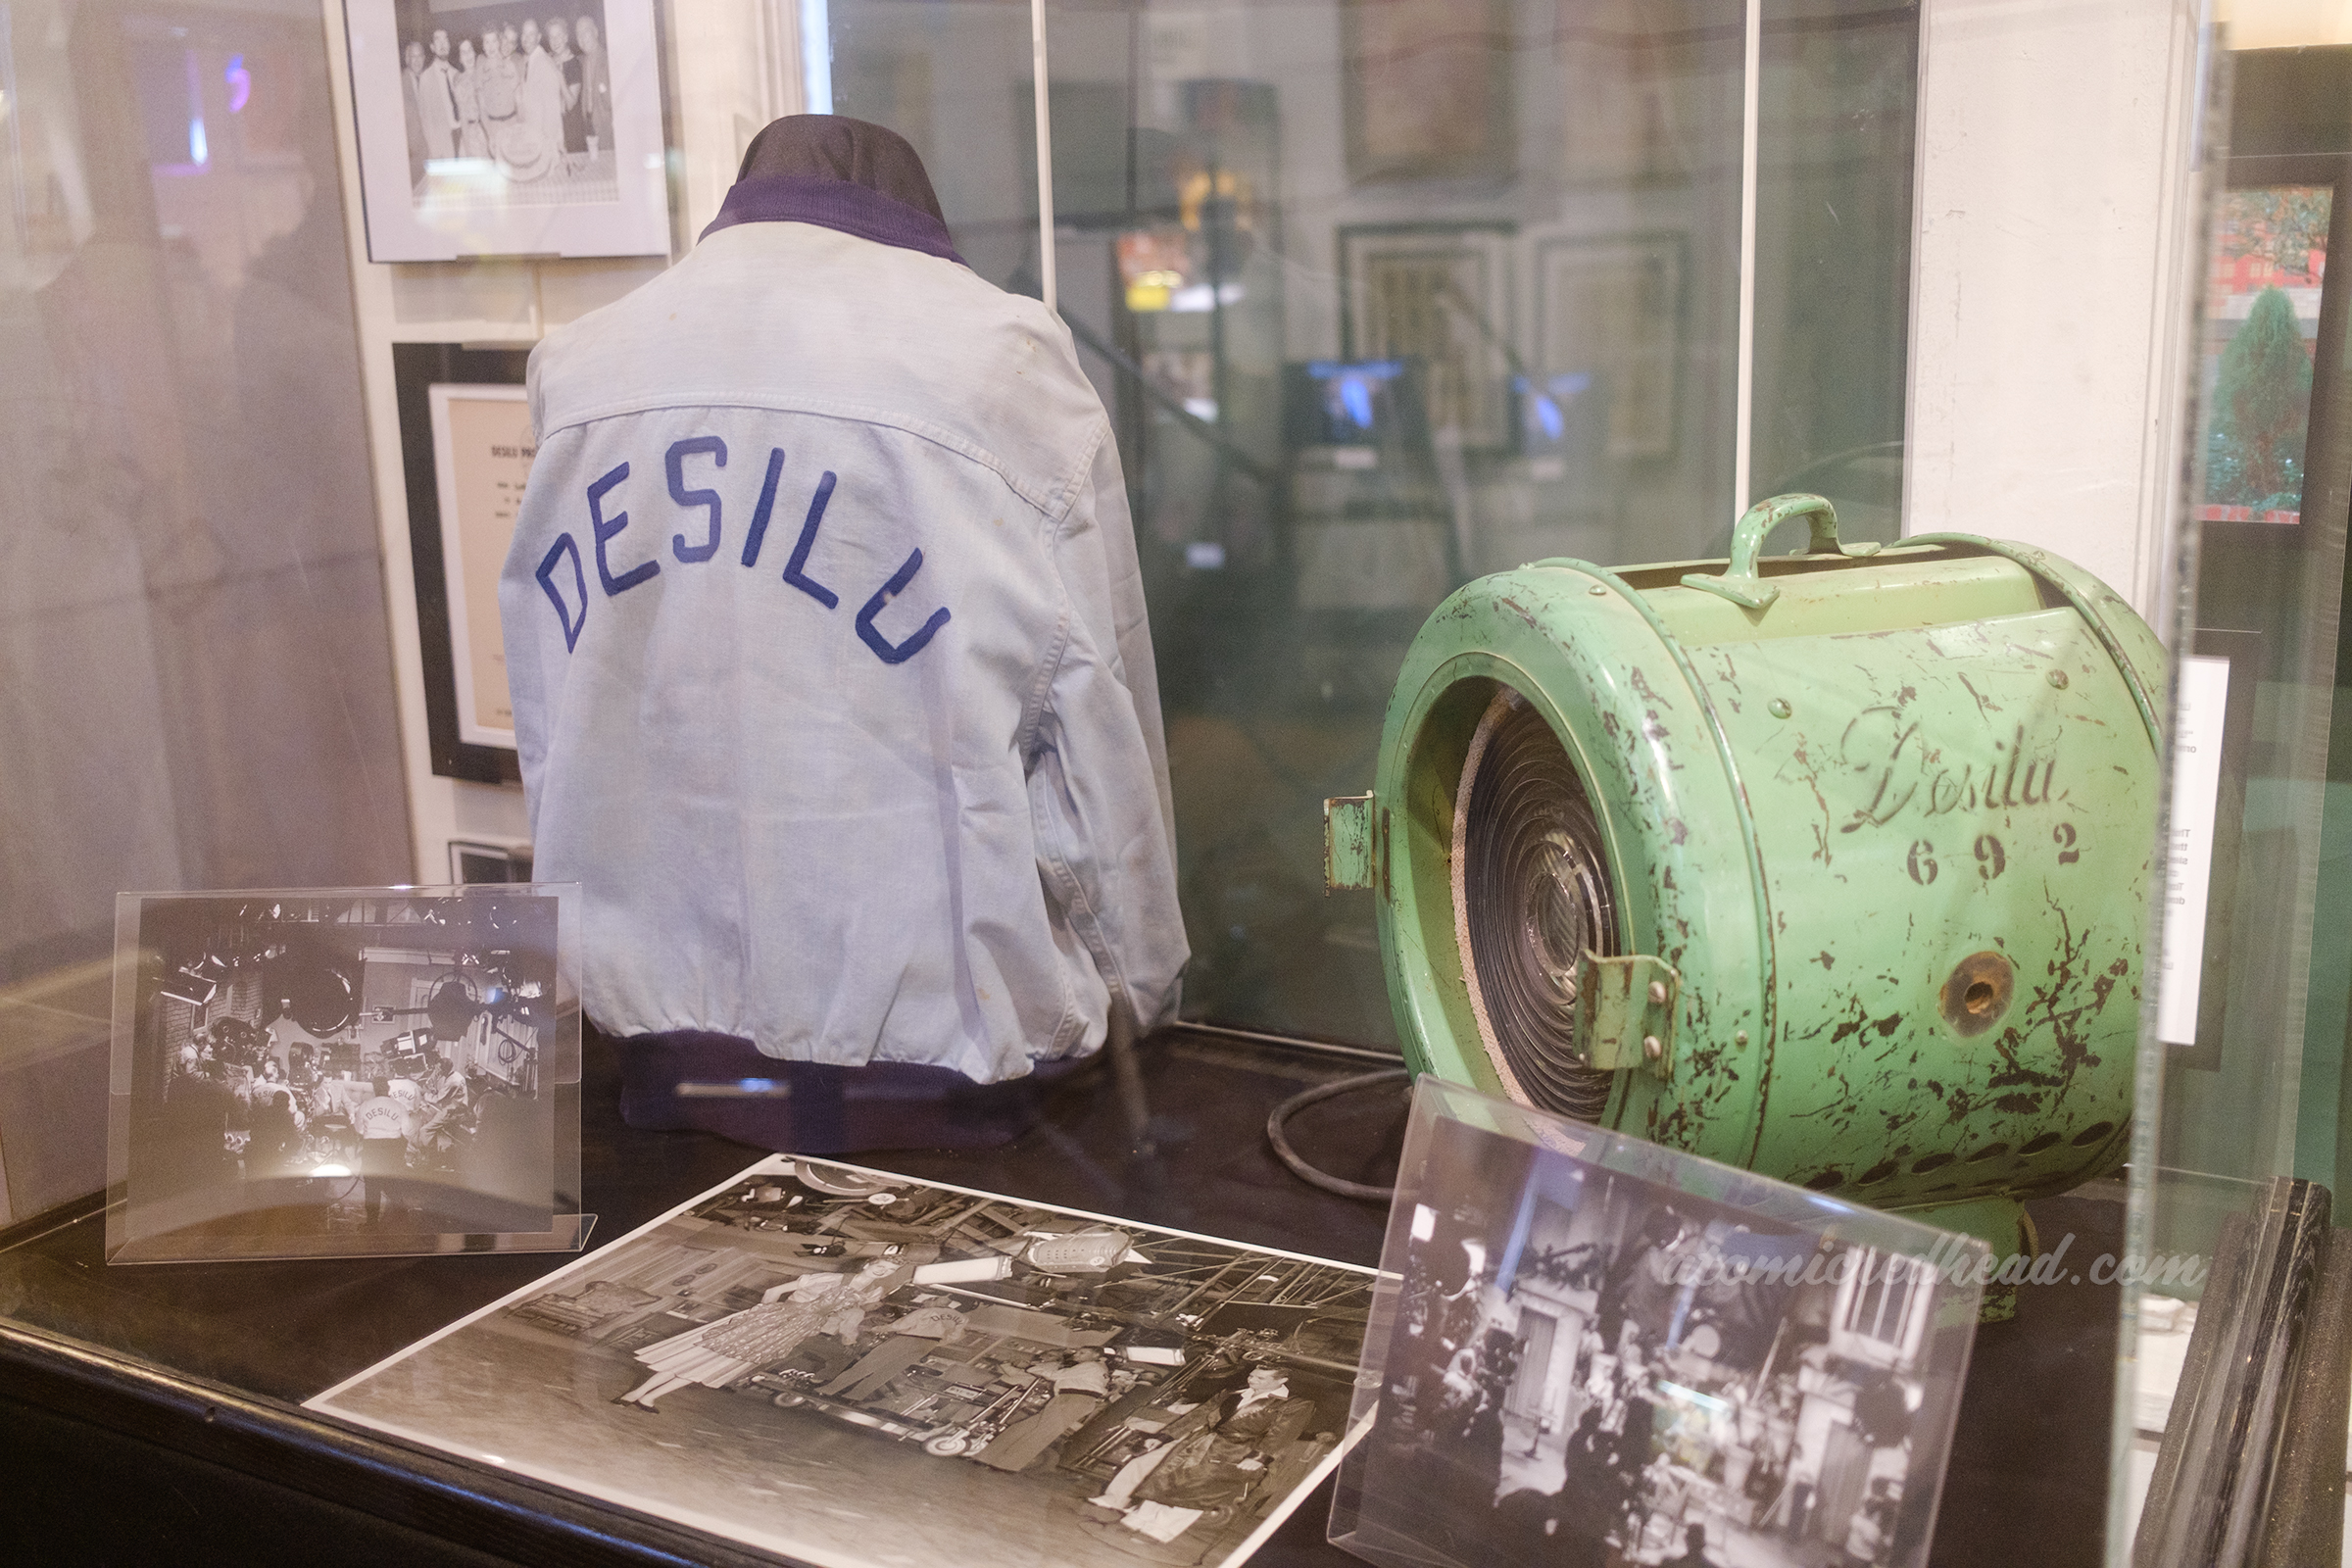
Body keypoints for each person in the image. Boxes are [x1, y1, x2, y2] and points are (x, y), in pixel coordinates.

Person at [497, 115, 1185, 1113]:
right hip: (937, 1071)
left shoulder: (580, 369)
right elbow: (1094, 711)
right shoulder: (1003, 364)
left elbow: (551, 720)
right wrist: (1145, 976)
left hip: (655, 1061)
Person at [615, 1257, 897, 1411]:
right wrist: (762, 1314)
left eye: (890, 1270)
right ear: (868, 1265)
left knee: (715, 1367)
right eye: (880, 1265)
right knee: (700, 1355)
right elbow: (775, 1292)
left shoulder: (865, 1293)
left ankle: (648, 1398)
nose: (883, 1271)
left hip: (790, 1332)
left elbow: (837, 1315)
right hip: (768, 1321)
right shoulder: (832, 1279)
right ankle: (636, 1393)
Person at [977, 1348, 1111, 1471]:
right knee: (1022, 1428)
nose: (1076, 1354)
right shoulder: (1095, 1367)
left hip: (1075, 1400)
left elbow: (1055, 1375)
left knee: (1042, 1433)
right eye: (1077, 1352)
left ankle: (1007, 1465)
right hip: (1069, 1399)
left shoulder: (1091, 1366)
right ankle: (985, 1457)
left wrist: (1030, 1367)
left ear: (1095, 1355)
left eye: (1082, 1353)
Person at [816, 1299, 966, 1402]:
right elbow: (956, 1336)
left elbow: (900, 1325)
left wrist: (878, 1329)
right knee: (889, 1370)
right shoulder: (961, 1318)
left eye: (929, 1299)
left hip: (908, 1339)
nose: (925, 1302)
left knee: (869, 1364)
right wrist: (937, 1343)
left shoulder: (927, 1311)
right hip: (928, 1344)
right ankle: (856, 1396)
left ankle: (830, 1389)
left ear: (938, 1300)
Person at [517, 21, 567, 177]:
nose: (526, 38)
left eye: (531, 34)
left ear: (538, 37)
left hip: (545, 147)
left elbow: (553, 113)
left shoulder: (544, 63)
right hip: (533, 142)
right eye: (524, 34)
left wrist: (550, 151)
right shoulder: (531, 60)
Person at [417, 28, 461, 163]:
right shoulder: (426, 78)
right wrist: (435, 150)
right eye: (438, 40)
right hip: (442, 143)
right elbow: (425, 119)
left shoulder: (456, 74)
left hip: (461, 137)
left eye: (445, 39)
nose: (442, 44)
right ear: (432, 47)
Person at [548, 18, 585, 159]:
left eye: (559, 36)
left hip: (572, 130)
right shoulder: (549, 60)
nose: (555, 40)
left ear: (566, 37)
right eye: (551, 37)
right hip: (554, 129)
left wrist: (560, 75)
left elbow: (570, 103)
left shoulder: (574, 64)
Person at [574, 15, 612, 156]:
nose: (582, 38)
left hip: (606, 125)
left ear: (595, 32)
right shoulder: (581, 61)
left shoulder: (609, 59)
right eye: (578, 34)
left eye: (586, 31)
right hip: (588, 124)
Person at [400, 40, 429, 190]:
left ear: (424, 58)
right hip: (413, 158)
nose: (417, 61)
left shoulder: (429, 80)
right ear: (407, 59)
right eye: (413, 57)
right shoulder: (399, 84)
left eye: (420, 56)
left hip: (430, 153)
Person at [453, 37, 487, 159]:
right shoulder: (460, 82)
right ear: (460, 59)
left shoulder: (484, 73)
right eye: (463, 52)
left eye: (470, 50)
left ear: (475, 52)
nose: (468, 55)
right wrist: (468, 149)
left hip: (487, 132)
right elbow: (463, 117)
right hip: (472, 136)